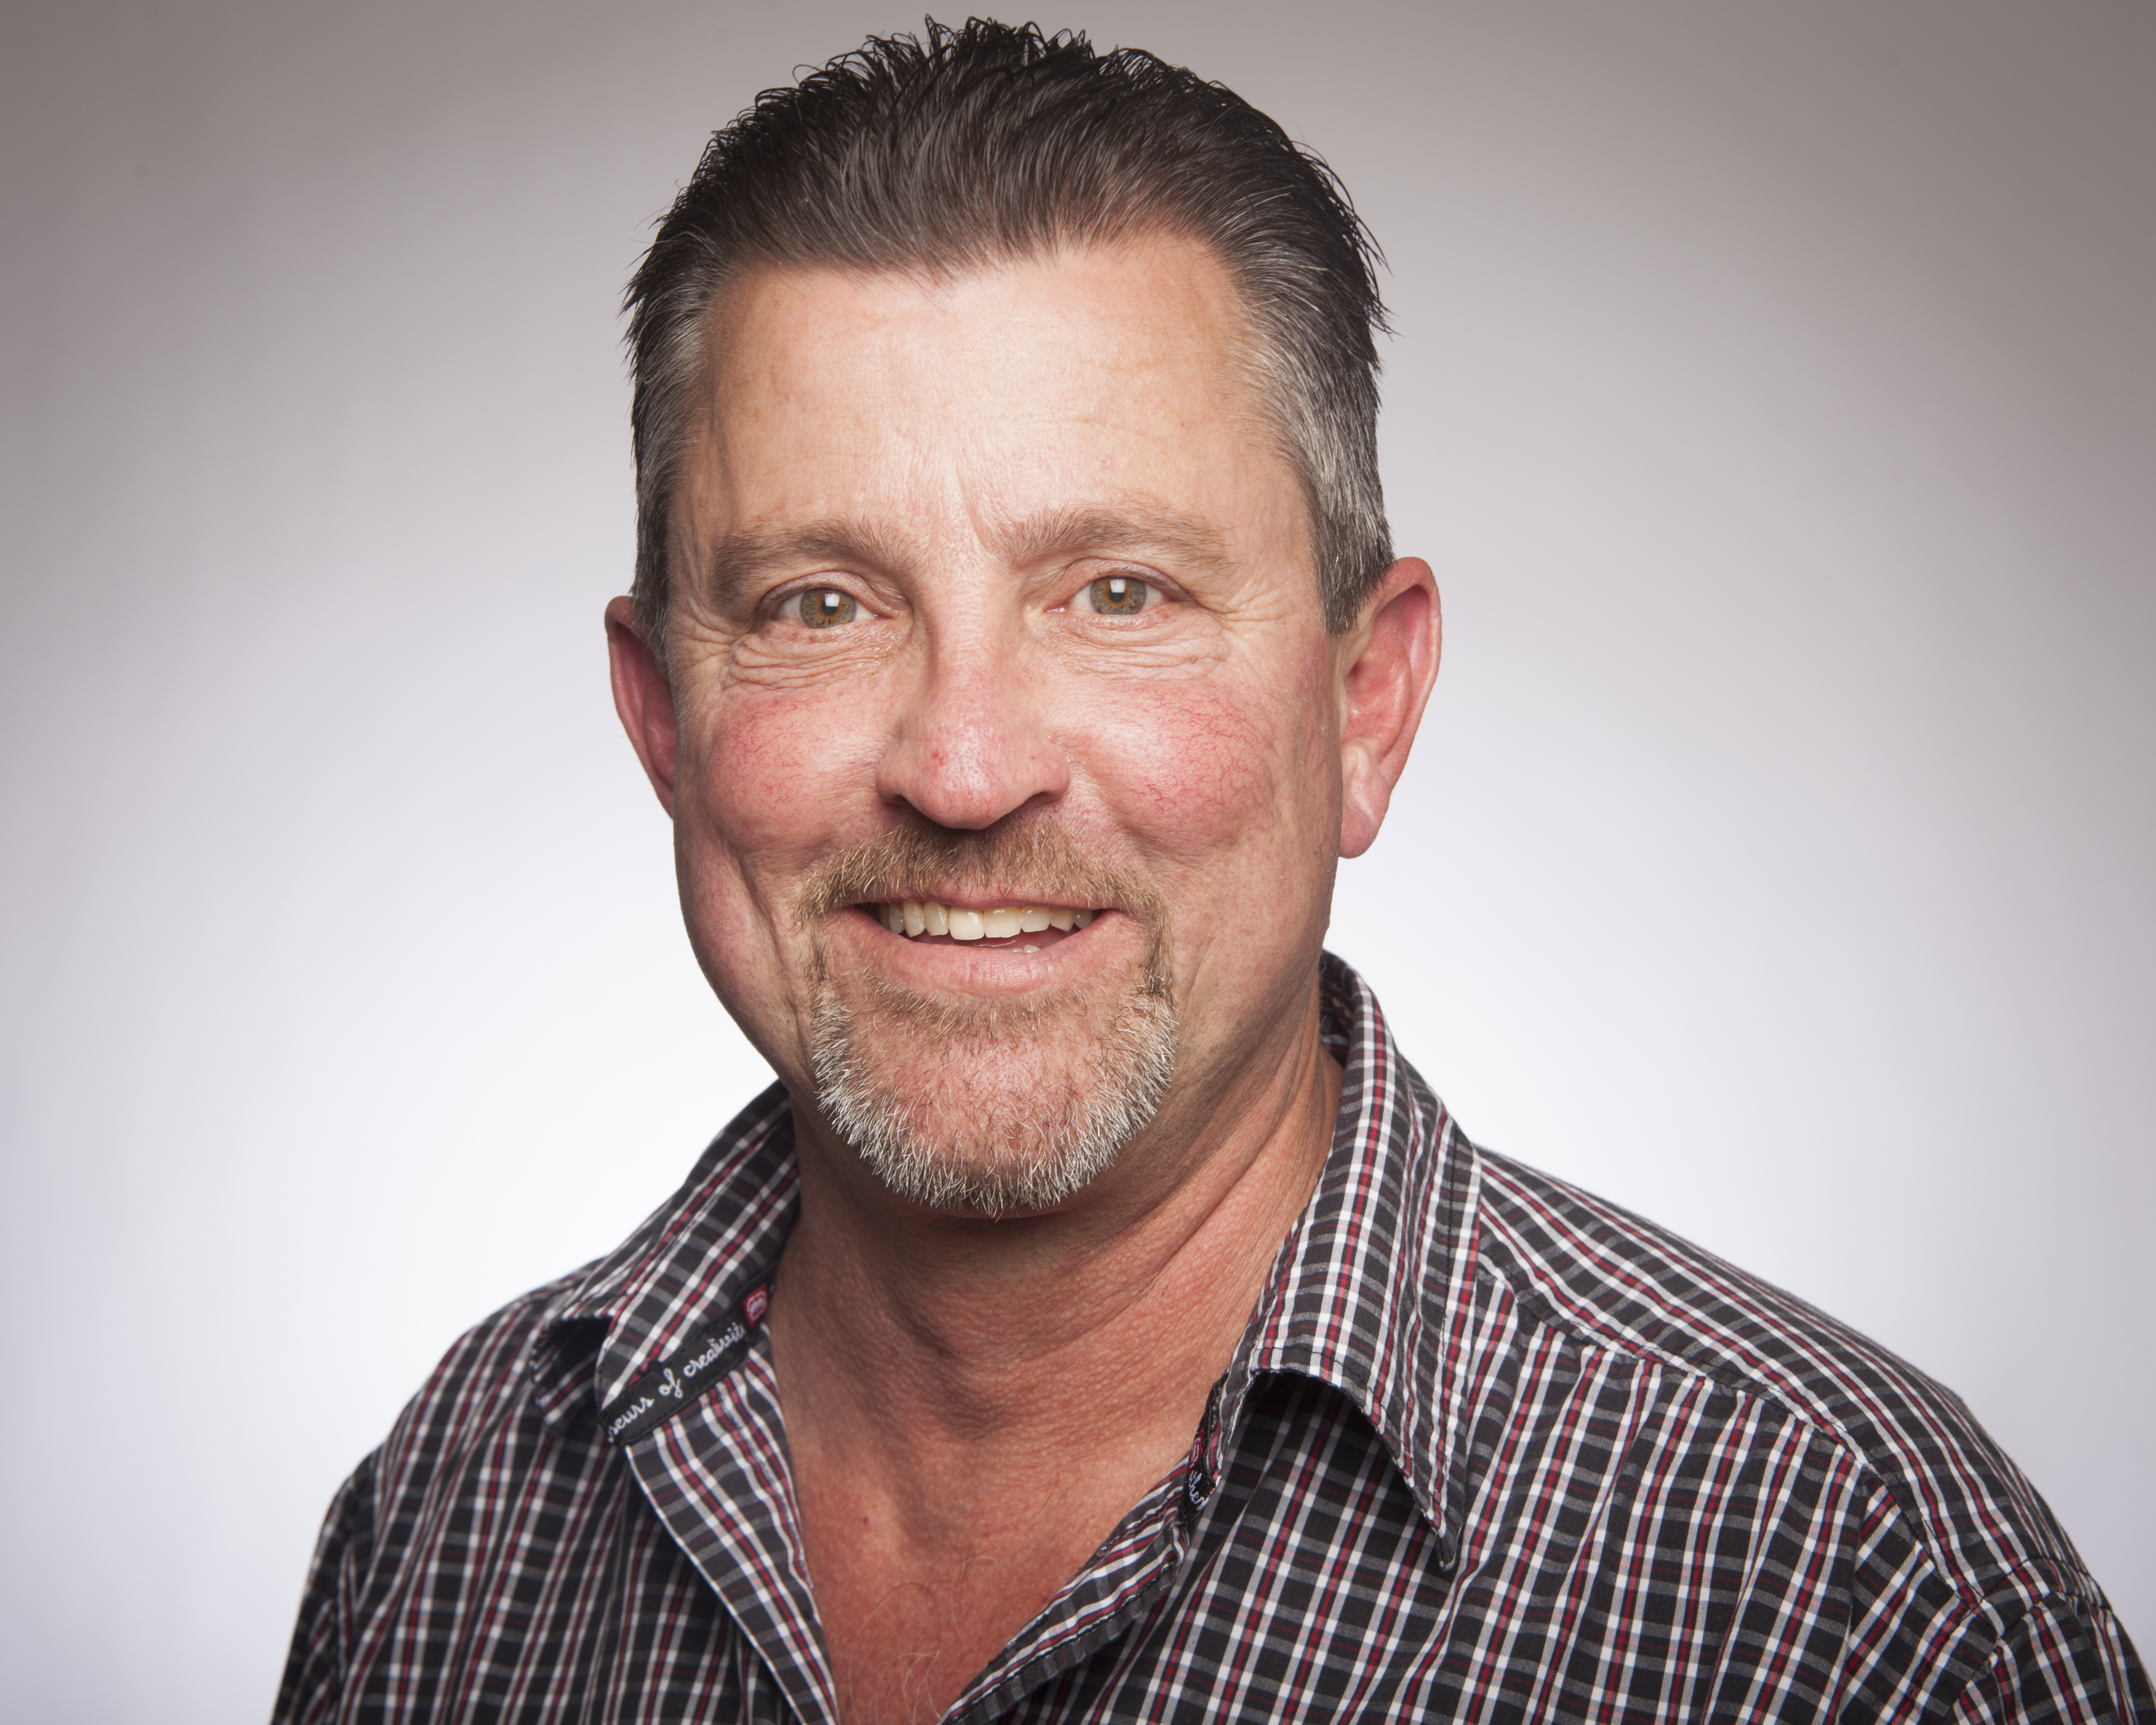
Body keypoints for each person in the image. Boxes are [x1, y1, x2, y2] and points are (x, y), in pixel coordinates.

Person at [274, 20, 2148, 1724]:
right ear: (663, 717)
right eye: (820, 602)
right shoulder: (460, 1504)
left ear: (1365, 704)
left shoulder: (1844, 1593)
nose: (966, 762)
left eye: (1118, 591)